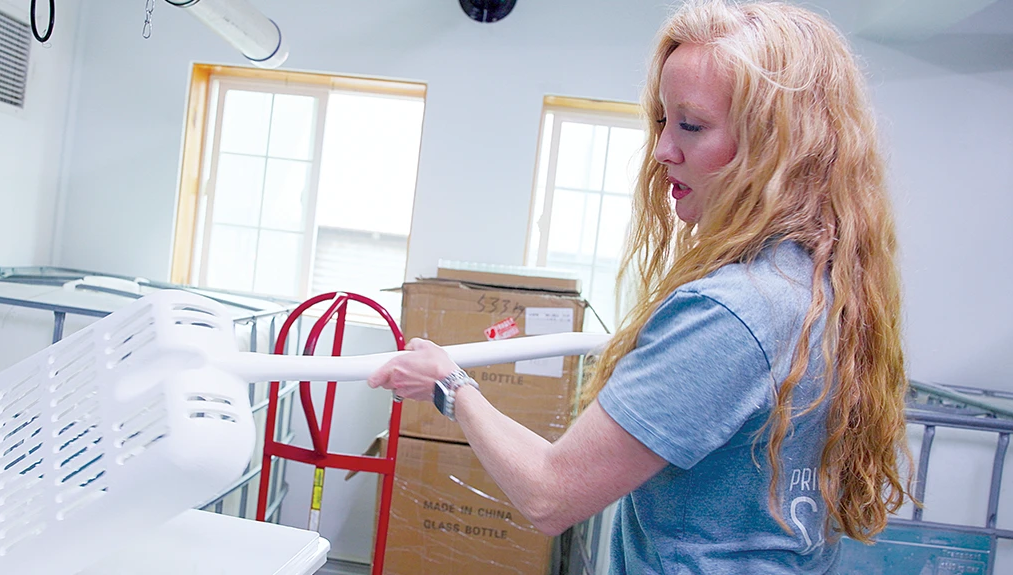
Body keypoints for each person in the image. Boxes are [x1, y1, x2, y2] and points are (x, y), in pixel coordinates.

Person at [367, 1, 915, 572]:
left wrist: (448, 382)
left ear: (779, 143)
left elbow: (550, 494)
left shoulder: (731, 314)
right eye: (662, 121)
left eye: (692, 126)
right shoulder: (815, 285)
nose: (662, 151)